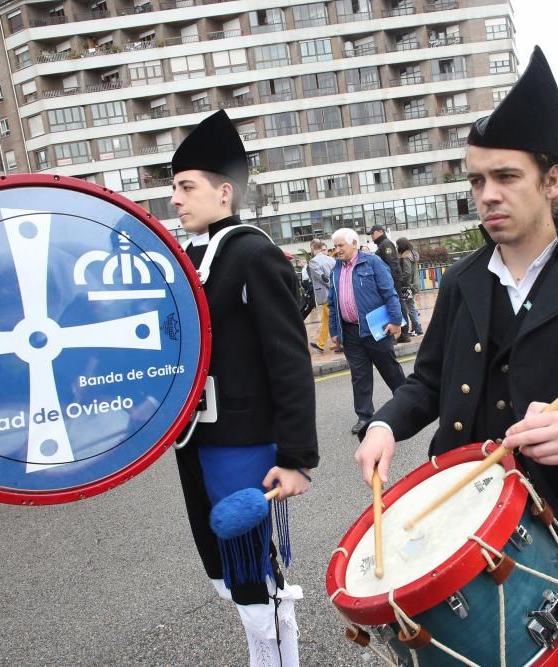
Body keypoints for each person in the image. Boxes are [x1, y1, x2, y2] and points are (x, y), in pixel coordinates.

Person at [353, 46, 558, 666]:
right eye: (477, 181)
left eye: (506, 177)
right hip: (463, 524)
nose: (488, 195)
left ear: (552, 180)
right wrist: (384, 423)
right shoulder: (460, 281)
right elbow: (426, 384)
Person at [170, 110, 318, 667]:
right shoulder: (187, 259)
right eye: (175, 189)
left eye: (187, 188)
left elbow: (290, 363)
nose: (176, 201)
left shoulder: (254, 254)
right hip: (193, 442)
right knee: (223, 568)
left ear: (224, 192)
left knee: (254, 574)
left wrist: (298, 458)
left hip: (244, 444)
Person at [329, 228, 408, 435]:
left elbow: (389, 293)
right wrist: (334, 331)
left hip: (376, 329)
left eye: (340, 246)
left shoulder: (373, 262)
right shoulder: (335, 269)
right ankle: (365, 416)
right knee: (359, 376)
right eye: (335, 246)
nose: (337, 250)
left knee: (390, 370)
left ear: (354, 243)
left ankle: (407, 407)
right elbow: (332, 302)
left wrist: (396, 321)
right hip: (350, 332)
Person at [369, 225, 410, 343]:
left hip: (392, 279)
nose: (371, 236)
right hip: (390, 279)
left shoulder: (386, 244)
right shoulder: (382, 244)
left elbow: (392, 262)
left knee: (396, 303)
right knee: (395, 303)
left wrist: (389, 280)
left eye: (373, 233)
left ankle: (403, 333)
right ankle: (401, 333)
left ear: (381, 232)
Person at [307, 239, 338, 353]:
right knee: (326, 321)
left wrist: (332, 286)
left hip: (325, 294)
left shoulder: (313, 261)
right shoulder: (331, 259)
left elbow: (323, 278)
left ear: (315, 249)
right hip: (332, 294)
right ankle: (321, 344)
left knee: (334, 320)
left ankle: (343, 343)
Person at [396, 237, 423, 336]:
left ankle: (418, 329)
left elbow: (407, 273)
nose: (397, 247)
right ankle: (415, 328)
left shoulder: (406, 257)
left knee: (409, 307)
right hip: (414, 284)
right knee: (411, 306)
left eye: (398, 245)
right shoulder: (413, 253)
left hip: (408, 287)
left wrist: (400, 281)